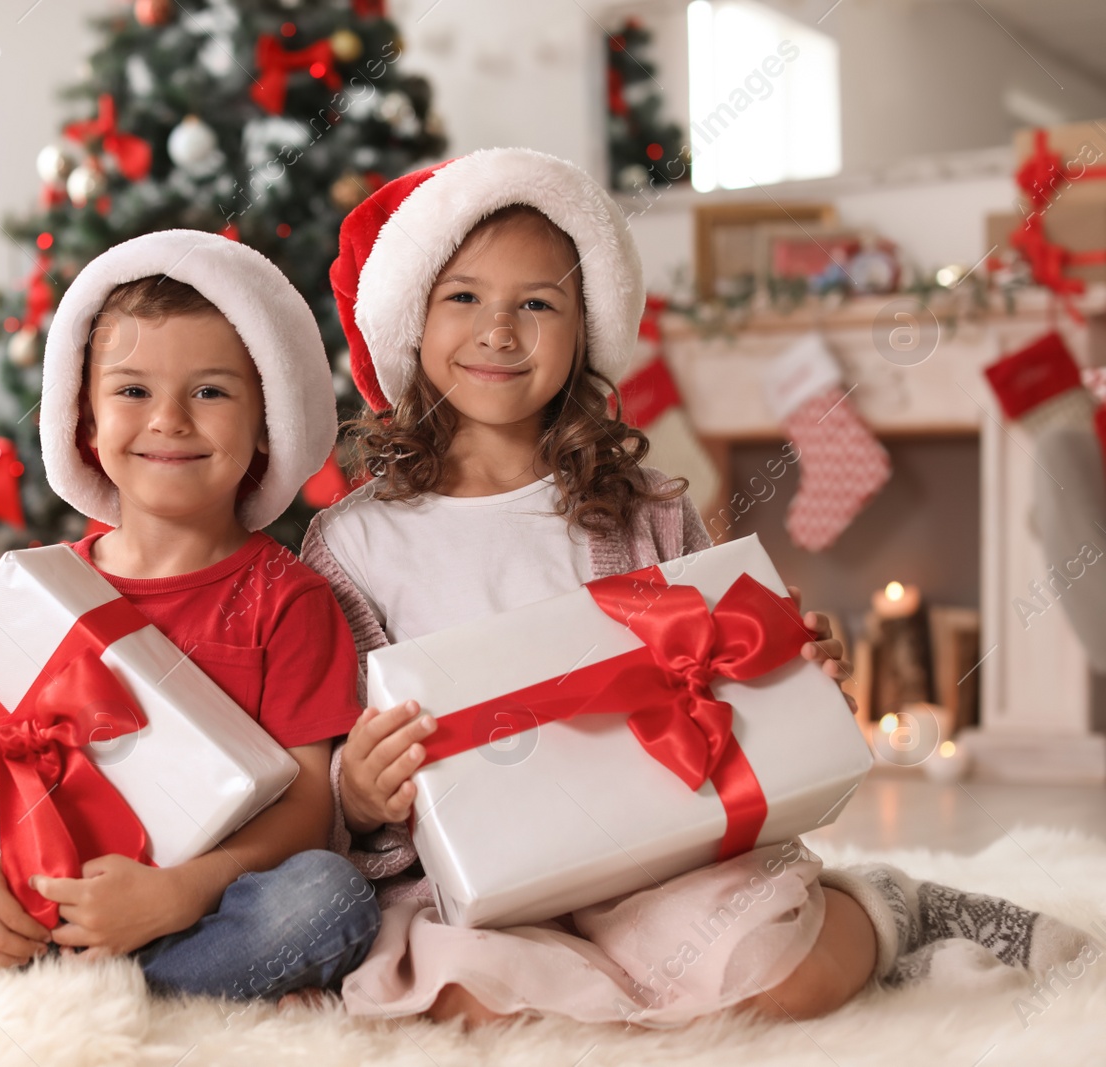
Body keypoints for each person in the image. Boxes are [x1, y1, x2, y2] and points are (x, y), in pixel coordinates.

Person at [300, 147, 1091, 1027]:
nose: (499, 331)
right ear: (410, 319)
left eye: (538, 302)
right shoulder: (354, 540)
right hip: (472, 875)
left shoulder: (641, 508)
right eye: (464, 298)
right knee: (456, 999)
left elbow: (724, 659)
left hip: (651, 854)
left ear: (585, 329)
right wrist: (358, 793)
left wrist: (785, 664)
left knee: (781, 974)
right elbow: (328, 740)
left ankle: (888, 907)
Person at [0, 230, 379, 1001]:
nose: (168, 420)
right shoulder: (44, 585)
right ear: (85, 420)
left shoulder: (291, 600)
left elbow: (312, 808)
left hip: (197, 903)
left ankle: (86, 981)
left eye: (210, 391)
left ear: (266, 421)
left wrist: (178, 894)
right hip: (52, 887)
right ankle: (154, 984)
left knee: (328, 898)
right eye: (133, 390)